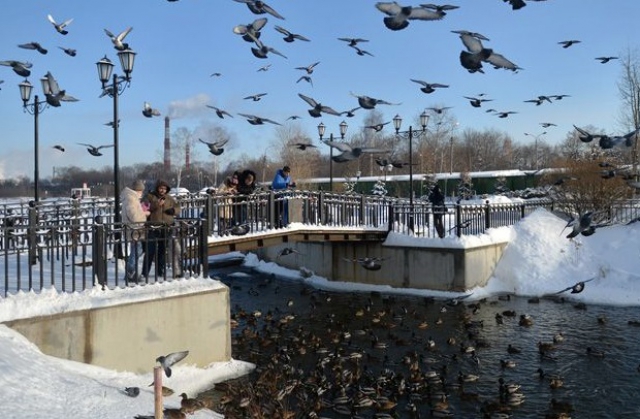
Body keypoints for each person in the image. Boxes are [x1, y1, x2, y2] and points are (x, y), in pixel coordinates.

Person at [142, 179, 181, 278]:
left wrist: (173, 211)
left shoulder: (169, 198)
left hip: (166, 227)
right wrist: (157, 204)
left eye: (164, 189)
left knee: (162, 251)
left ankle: (160, 271)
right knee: (150, 251)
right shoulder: (150, 197)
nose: (162, 190)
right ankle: (145, 273)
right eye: (160, 188)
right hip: (153, 227)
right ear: (157, 188)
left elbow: (178, 207)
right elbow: (144, 208)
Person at [120, 180, 150, 283]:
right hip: (134, 230)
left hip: (134, 229)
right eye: (141, 191)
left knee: (137, 250)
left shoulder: (130, 198)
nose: (142, 193)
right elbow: (134, 216)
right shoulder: (131, 199)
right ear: (138, 190)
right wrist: (144, 215)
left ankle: (131, 272)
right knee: (137, 250)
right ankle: (130, 272)